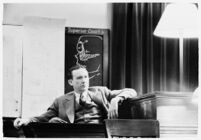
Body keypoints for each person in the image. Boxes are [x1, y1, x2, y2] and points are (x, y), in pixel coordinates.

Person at [14, 65, 137, 129]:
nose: (84, 81)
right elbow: (43, 118)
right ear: (71, 82)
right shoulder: (60, 101)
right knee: (53, 121)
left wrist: (116, 99)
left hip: (100, 132)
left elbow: (131, 91)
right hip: (75, 134)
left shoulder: (101, 91)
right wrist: (27, 119)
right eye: (79, 78)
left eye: (86, 77)